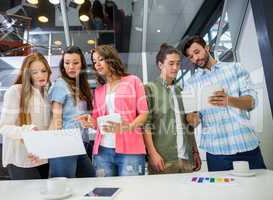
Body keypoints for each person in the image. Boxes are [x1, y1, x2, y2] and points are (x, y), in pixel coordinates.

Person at [181, 36, 266, 171]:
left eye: (197, 52)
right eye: (191, 57)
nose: (195, 59)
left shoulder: (235, 69)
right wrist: (194, 118)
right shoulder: (190, 84)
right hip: (216, 153)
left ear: (207, 47)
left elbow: (251, 102)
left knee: (258, 190)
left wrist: (229, 100)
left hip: (247, 145)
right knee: (223, 192)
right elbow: (191, 119)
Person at [78, 45, 149, 177]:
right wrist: (89, 121)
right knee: (105, 193)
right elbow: (97, 121)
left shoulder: (133, 81)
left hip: (131, 151)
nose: (97, 64)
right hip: (102, 152)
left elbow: (144, 113)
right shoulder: (98, 91)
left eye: (101, 59)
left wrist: (129, 126)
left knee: (132, 192)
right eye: (94, 62)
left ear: (111, 59)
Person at [143, 43, 201, 174]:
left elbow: (189, 126)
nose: (175, 68)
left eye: (178, 63)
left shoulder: (183, 90)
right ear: (160, 65)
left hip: (186, 159)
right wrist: (152, 154)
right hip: (163, 160)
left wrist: (195, 151)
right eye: (171, 63)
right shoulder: (149, 89)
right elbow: (146, 126)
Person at [0, 52, 51, 180]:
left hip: (43, 157)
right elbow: (3, 127)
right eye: (34, 72)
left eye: (43, 71)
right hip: (21, 158)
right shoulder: (15, 91)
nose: (41, 75)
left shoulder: (47, 94)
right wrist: (28, 130)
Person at [48, 46, 95, 178]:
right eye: (67, 63)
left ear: (82, 64)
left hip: (80, 143)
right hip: (65, 143)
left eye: (75, 63)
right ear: (63, 65)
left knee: (88, 181)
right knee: (65, 186)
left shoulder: (81, 86)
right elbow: (56, 116)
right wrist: (57, 142)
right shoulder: (60, 84)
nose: (71, 67)